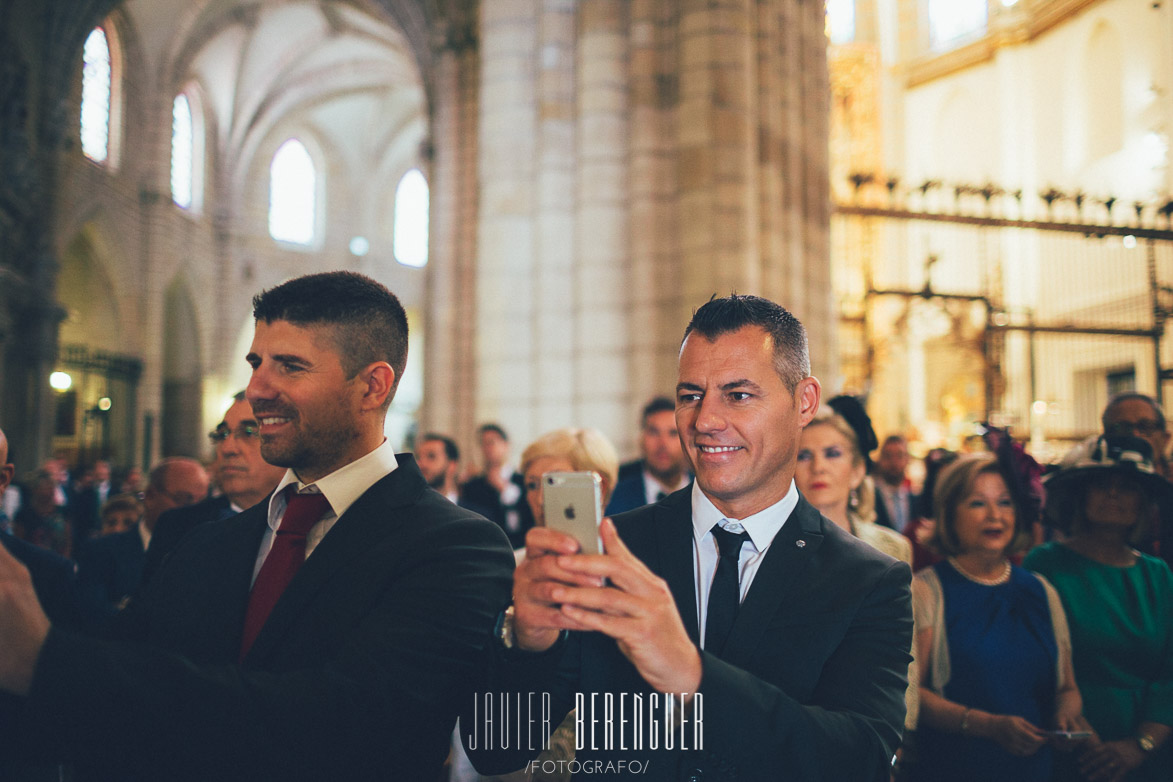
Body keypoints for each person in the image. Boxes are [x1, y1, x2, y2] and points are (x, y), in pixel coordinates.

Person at [0, 271, 515, 781]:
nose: (256, 389)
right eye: (256, 363)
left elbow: (346, 725)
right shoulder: (209, 541)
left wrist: (49, 662)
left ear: (372, 386)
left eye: (289, 366)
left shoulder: (456, 545)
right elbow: (113, 683)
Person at [464, 294, 913, 781]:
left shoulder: (869, 580)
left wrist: (692, 677)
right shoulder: (616, 552)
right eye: (690, 395)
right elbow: (495, 750)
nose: (704, 421)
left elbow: (863, 760)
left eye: (738, 395)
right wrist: (529, 644)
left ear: (804, 401)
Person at [910, 453, 1083, 782]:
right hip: (956, 768)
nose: (995, 515)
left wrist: (1065, 718)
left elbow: (1067, 688)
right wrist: (988, 726)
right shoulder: (926, 591)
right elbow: (911, 694)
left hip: (1034, 769)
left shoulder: (1041, 590)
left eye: (1004, 502)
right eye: (978, 503)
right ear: (949, 512)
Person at [1024, 435, 1173, 781]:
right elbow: (1037, 664)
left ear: (1143, 502)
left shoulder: (1158, 574)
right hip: (1066, 744)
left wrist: (1140, 746)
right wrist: (1088, 742)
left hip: (1149, 752)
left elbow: (1170, 674)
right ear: (1080, 496)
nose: (1113, 495)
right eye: (1101, 485)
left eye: (1126, 487)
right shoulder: (1046, 564)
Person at [141, 393, 285, 586]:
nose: (227, 448)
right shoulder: (178, 526)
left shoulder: (309, 524)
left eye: (250, 432)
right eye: (222, 434)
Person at [75, 457, 209, 613]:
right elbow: (94, 616)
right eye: (183, 500)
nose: (194, 511)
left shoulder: (206, 553)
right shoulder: (101, 551)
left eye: (202, 503)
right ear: (151, 496)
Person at [606, 397, 690, 515]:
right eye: (654, 432)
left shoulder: (707, 492)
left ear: (689, 440)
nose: (663, 443)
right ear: (641, 439)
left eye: (673, 433)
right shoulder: (613, 499)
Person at [461, 423, 535, 548]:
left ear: (506, 445)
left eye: (491, 442)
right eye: (483, 444)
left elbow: (529, 517)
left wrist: (504, 489)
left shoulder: (524, 480)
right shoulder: (472, 485)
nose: (487, 448)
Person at [875, 435, 917, 532]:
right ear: (880, 459)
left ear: (907, 459)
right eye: (888, 456)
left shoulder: (916, 500)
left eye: (899, 455)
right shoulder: (871, 499)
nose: (894, 462)